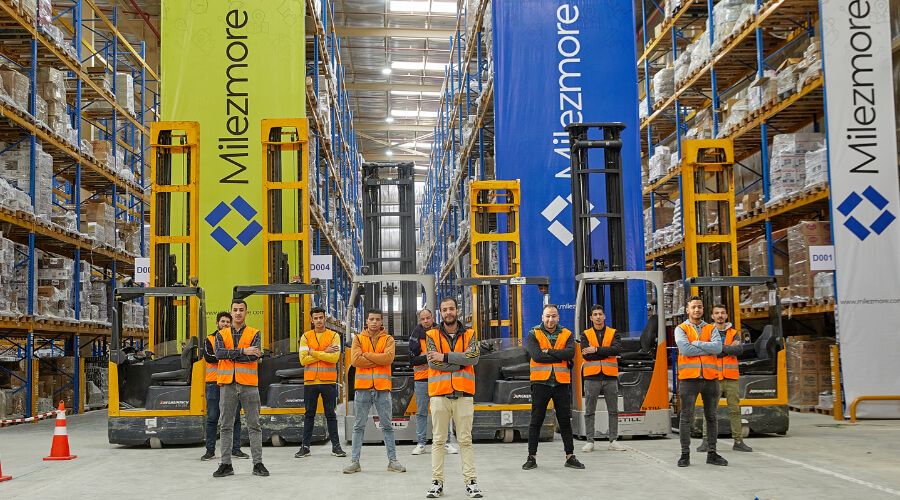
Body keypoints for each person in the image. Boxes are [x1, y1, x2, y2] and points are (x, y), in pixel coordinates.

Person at [424, 297, 482, 499]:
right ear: (440, 313)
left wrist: (445, 356)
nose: (448, 312)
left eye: (451, 309)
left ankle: (471, 482)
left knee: (465, 440)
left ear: (457, 311)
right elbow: (433, 363)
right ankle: (437, 482)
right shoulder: (431, 335)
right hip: (439, 395)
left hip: (463, 395)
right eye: (444, 310)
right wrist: (461, 361)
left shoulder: (470, 334)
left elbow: (474, 358)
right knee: (438, 440)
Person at [522, 304, 584, 470]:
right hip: (540, 383)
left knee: (564, 421)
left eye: (554, 316)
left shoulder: (567, 333)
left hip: (561, 383)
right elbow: (537, 356)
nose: (550, 319)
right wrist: (559, 355)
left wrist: (548, 351)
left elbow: (570, 353)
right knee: (536, 420)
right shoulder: (533, 333)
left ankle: (570, 456)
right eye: (548, 316)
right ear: (542, 317)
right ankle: (531, 457)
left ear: (558, 317)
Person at [343, 309, 406, 474]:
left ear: (381, 321)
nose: (374, 322)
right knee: (358, 426)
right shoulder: (358, 338)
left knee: (387, 426)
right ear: (366, 321)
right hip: (363, 389)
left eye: (377, 319)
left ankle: (393, 461)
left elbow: (389, 358)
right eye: (371, 319)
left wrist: (366, 355)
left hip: (382, 389)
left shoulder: (388, 339)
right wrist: (378, 358)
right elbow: (355, 361)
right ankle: (355, 462)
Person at [213, 299, 268, 478]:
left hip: (249, 384)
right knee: (225, 425)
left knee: (254, 425)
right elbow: (219, 354)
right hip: (227, 384)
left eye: (241, 310)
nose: (238, 313)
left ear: (246, 312)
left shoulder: (255, 333)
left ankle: (258, 464)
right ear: (231, 312)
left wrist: (232, 354)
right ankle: (226, 464)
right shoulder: (221, 334)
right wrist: (244, 351)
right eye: (235, 310)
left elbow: (255, 357)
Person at [675, 296, 728, 468]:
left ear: (703, 309)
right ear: (687, 310)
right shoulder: (680, 329)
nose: (696, 310)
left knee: (712, 417)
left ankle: (712, 453)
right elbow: (685, 350)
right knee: (686, 418)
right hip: (689, 380)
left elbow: (718, 348)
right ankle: (685, 455)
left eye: (699, 307)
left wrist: (697, 343)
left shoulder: (711, 328)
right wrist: (707, 347)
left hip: (710, 379)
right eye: (693, 307)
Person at [697, 305, 752, 453]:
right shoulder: (707, 332)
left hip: (731, 378)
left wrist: (719, 348)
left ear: (726, 315)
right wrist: (728, 348)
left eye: (722, 313)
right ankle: (706, 442)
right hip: (713, 377)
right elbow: (708, 351)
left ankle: (738, 442)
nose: (720, 315)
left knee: (735, 410)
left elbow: (739, 350)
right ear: (712, 316)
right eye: (717, 313)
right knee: (710, 411)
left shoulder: (734, 333)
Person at [295, 307, 347, 459]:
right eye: (316, 318)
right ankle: (305, 447)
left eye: (321, 317)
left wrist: (313, 352)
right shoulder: (306, 336)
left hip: (328, 381)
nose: (319, 320)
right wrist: (325, 352)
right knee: (309, 414)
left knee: (331, 414)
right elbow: (303, 360)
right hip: (310, 381)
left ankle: (336, 447)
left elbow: (334, 358)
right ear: (312, 320)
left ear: (325, 318)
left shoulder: (334, 336)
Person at [410, 308, 458, 456]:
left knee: (443, 412)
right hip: (421, 380)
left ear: (433, 318)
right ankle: (421, 443)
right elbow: (413, 360)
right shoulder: (415, 337)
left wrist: (430, 357)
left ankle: (446, 442)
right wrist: (431, 357)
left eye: (428, 318)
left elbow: (446, 355)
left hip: (439, 378)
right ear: (420, 320)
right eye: (423, 319)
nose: (426, 321)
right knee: (421, 412)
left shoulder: (441, 333)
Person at [201, 312, 249, 461]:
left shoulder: (235, 339)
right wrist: (231, 354)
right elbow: (209, 357)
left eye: (228, 322)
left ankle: (236, 449)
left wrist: (224, 354)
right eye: (222, 321)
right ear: (217, 323)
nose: (225, 324)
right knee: (212, 417)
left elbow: (242, 356)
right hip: (214, 383)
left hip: (231, 382)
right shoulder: (209, 339)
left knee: (235, 418)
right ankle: (210, 451)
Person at [579, 305, 626, 453]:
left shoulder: (614, 333)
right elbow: (586, 355)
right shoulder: (585, 334)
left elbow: (617, 350)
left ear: (604, 316)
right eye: (595, 314)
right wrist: (607, 352)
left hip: (610, 377)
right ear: (591, 318)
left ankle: (613, 440)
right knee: (589, 410)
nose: (598, 317)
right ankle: (590, 441)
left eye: (600, 314)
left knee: (613, 410)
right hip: (591, 377)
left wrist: (596, 349)